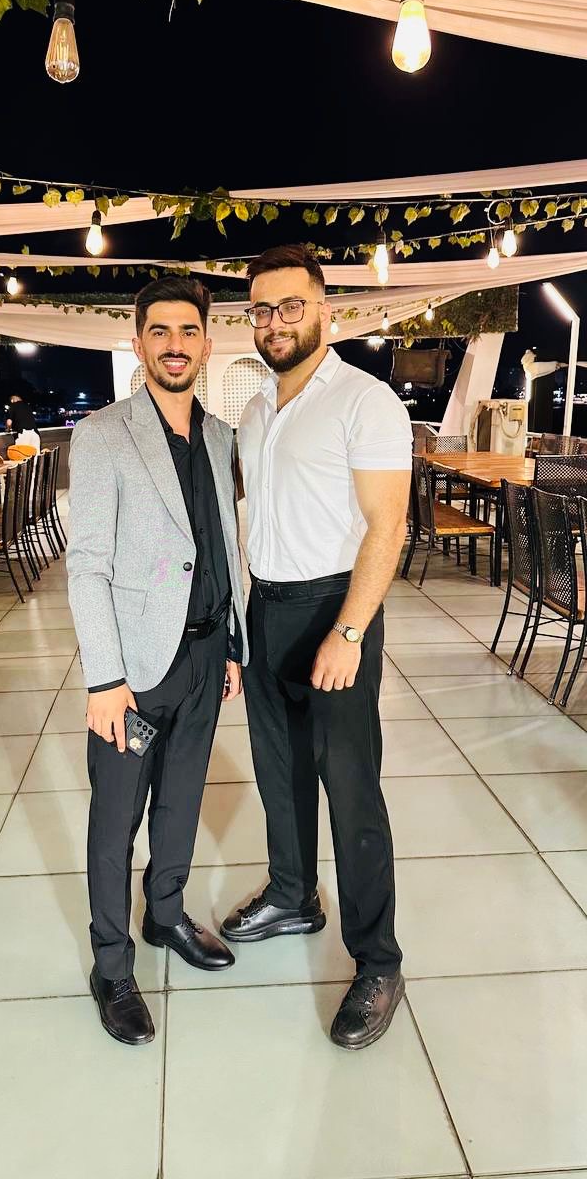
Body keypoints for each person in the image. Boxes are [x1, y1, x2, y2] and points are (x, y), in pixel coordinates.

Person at [220, 244, 413, 1051]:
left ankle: (378, 961)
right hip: (266, 607)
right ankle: (293, 895)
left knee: (352, 789)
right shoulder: (256, 410)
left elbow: (388, 525)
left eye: (290, 306)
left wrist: (350, 629)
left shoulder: (365, 401)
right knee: (282, 772)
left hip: (335, 610)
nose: (275, 322)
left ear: (323, 311)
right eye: (262, 310)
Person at [67, 276, 248, 1047]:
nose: (176, 345)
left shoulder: (221, 436)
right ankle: (111, 967)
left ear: (206, 343)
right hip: (134, 673)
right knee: (116, 822)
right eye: (161, 332)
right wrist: (105, 679)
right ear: (139, 343)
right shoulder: (104, 434)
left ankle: (165, 915)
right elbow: (87, 566)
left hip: (206, 655)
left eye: (188, 331)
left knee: (181, 800)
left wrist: (232, 641)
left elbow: (222, 545)